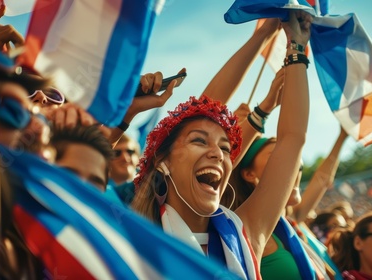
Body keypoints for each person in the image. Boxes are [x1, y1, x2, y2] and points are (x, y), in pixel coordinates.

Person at [131, 10, 312, 278]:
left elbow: (292, 140)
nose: (217, 153)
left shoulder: (244, 236)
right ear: (163, 160)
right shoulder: (130, 237)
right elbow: (205, 107)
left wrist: (295, 45)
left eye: (226, 148)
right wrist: (262, 35)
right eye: (199, 141)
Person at [220, 126, 349, 279]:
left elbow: (322, 180)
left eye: (296, 159)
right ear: (249, 174)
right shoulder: (245, 231)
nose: (294, 165)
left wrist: (343, 134)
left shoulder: (291, 223)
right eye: (277, 157)